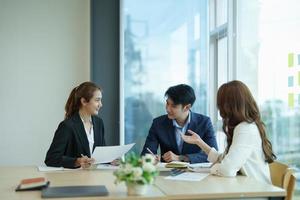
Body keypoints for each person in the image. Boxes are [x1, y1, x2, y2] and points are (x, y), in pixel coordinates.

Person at [182, 80, 276, 184]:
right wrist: (199, 142)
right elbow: (223, 159)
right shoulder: (244, 126)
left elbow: (227, 169)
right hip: (249, 188)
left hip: (257, 192)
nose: (219, 109)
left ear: (228, 106)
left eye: (220, 104)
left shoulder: (245, 129)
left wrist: (214, 168)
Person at [141, 84, 218, 163]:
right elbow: (146, 153)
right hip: (167, 173)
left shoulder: (204, 122)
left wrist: (181, 158)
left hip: (195, 173)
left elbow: (214, 154)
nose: (167, 109)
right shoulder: (158, 123)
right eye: (167, 103)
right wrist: (151, 158)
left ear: (187, 107)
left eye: (173, 106)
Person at [45, 82, 105, 169]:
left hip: (94, 176)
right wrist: (76, 161)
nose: (101, 104)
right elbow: (51, 158)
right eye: (97, 100)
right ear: (84, 101)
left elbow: (101, 153)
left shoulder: (99, 123)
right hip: (74, 178)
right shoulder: (67, 126)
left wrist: (111, 160)